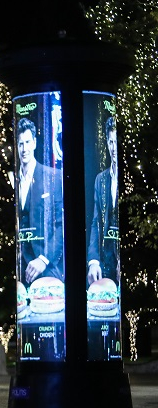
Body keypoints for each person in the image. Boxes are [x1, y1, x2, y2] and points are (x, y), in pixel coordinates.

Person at [15, 117, 64, 285]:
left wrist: (43, 259)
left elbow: (60, 225)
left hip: (47, 267)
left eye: (27, 142)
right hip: (20, 269)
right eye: (20, 144)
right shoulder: (14, 180)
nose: (24, 149)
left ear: (35, 143)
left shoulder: (53, 177)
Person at [87, 116, 119, 284]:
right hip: (106, 264)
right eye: (111, 142)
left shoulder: (131, 177)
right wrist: (93, 261)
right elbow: (95, 222)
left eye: (117, 142)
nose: (114, 148)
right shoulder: (101, 179)